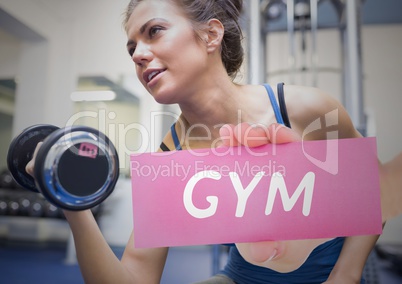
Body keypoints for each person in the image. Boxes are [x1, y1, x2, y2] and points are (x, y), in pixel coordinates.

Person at [25, 0, 402, 283]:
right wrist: (71, 201)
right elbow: (135, 275)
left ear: (211, 34)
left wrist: (345, 277)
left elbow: (376, 193)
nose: (138, 54)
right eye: (131, 48)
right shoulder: (170, 159)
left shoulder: (305, 108)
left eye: (154, 31)